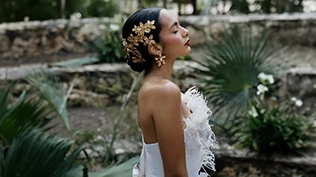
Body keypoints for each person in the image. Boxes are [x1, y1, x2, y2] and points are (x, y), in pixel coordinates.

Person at [122, 7, 216, 177]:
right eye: (175, 30)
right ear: (155, 48)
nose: (185, 32)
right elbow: (175, 173)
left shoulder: (156, 87)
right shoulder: (163, 92)